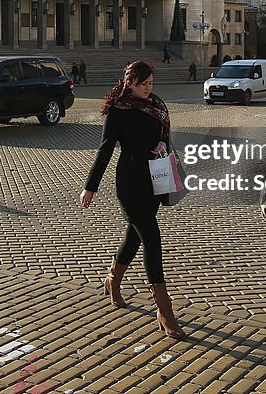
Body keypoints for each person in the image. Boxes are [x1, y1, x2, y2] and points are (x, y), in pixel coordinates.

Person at [80, 60, 185, 339]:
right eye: (143, 84)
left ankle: (112, 280)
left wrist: (163, 142)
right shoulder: (119, 110)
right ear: (130, 83)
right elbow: (104, 150)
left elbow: (163, 132)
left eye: (151, 83)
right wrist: (90, 187)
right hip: (129, 182)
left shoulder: (157, 104)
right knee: (151, 237)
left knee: (134, 237)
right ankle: (164, 310)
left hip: (154, 180)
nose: (149, 89)